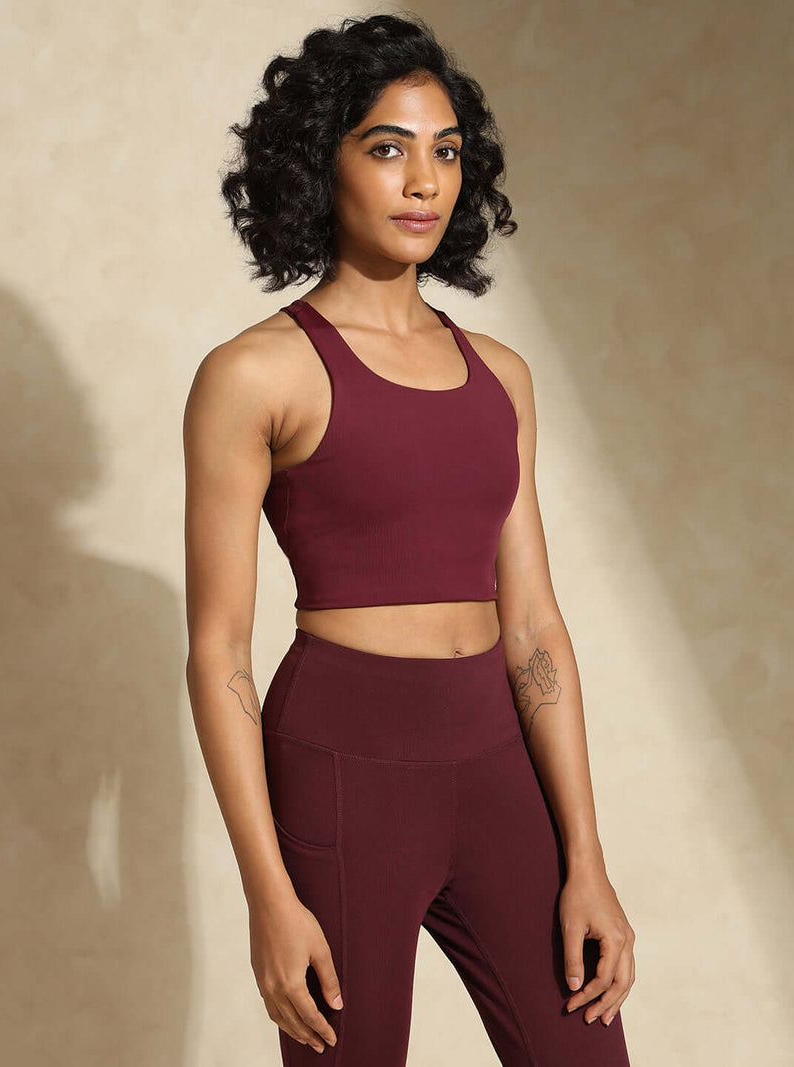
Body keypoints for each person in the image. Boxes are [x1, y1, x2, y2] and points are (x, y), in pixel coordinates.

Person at [183, 13, 635, 1066]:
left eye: (445, 151)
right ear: (320, 161)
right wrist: (267, 894)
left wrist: (586, 855)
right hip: (342, 770)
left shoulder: (502, 376)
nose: (424, 181)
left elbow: (534, 624)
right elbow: (217, 650)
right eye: (387, 148)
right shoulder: (255, 374)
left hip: (496, 764)